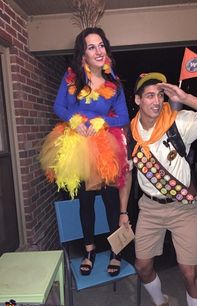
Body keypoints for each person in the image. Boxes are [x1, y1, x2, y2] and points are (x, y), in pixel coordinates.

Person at [121, 72, 197, 306]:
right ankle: (161, 304)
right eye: (149, 95)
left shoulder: (179, 121)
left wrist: (188, 98)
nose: (156, 101)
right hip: (150, 208)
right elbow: (126, 175)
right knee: (142, 266)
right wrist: (123, 212)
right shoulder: (128, 135)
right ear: (137, 100)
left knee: (190, 273)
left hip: (183, 208)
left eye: (160, 95)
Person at [39, 27, 130, 276]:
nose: (98, 51)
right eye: (92, 47)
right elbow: (59, 106)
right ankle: (89, 250)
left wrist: (104, 122)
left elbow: (123, 115)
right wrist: (75, 119)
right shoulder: (71, 78)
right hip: (77, 145)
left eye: (101, 45)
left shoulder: (114, 83)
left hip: (106, 146)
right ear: (84, 54)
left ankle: (115, 252)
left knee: (112, 202)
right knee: (85, 203)